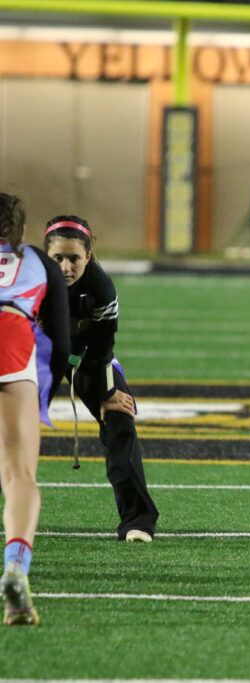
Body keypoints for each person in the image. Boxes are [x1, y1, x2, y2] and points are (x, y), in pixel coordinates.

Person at [43, 215, 158, 543]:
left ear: (89, 256)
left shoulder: (101, 286)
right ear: (45, 255)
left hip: (87, 359)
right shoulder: (31, 279)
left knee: (120, 416)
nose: (66, 266)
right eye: (58, 258)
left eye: (74, 258)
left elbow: (104, 345)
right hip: (38, 360)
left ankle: (138, 521)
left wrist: (108, 393)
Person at [1, 193, 70, 626]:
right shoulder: (39, 264)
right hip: (11, 337)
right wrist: (48, 393)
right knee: (18, 475)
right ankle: (15, 568)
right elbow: (61, 341)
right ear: (22, 232)